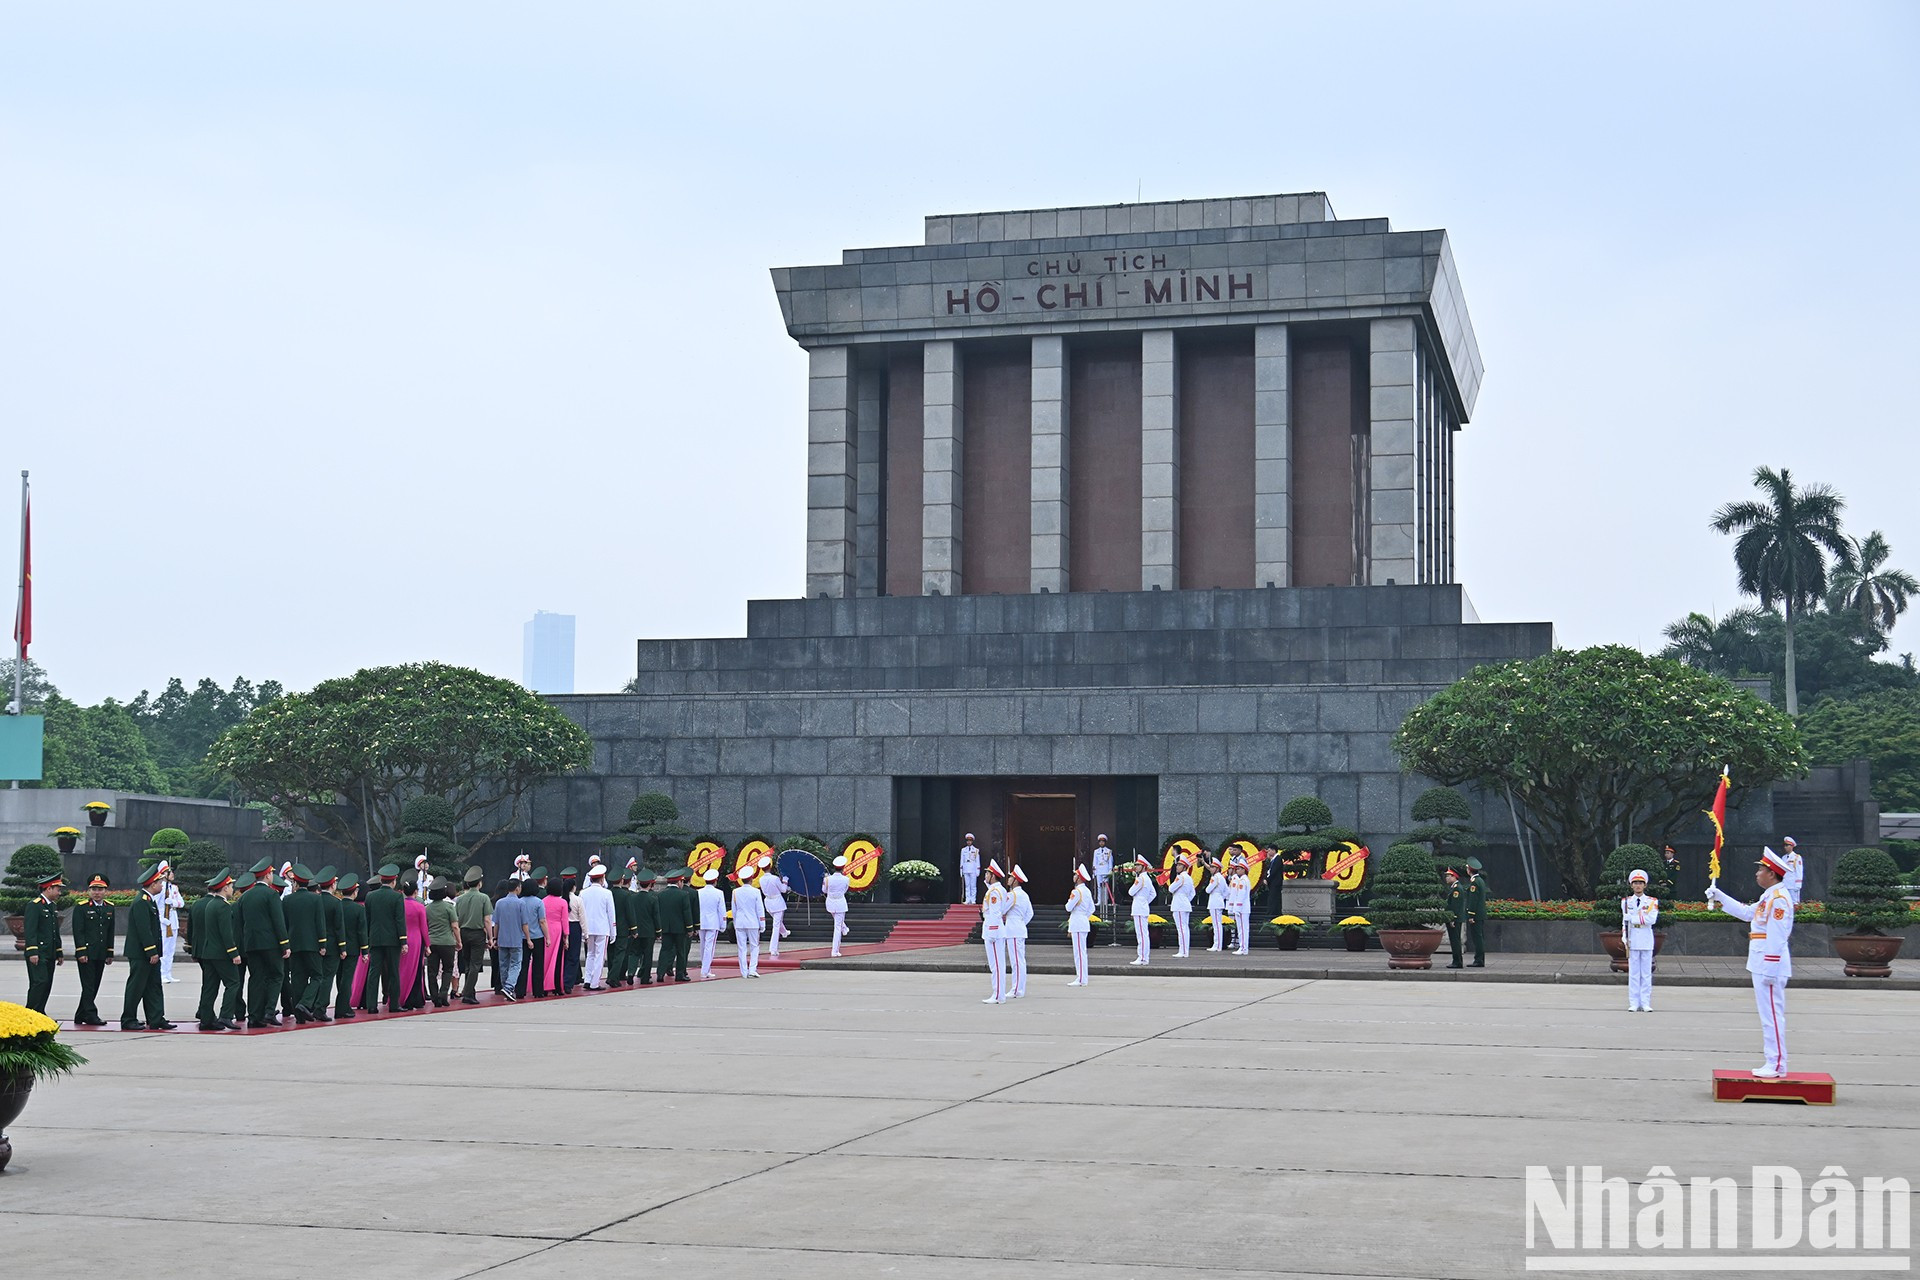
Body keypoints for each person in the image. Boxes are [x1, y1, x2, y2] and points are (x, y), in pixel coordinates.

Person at [1707, 848, 1797, 1078]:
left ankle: (1776, 1064)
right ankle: (1773, 1061)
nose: (1757, 873)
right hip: (1761, 960)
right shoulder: (1768, 897)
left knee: (1772, 1016)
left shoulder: (1778, 900)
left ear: (1772, 874)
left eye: (1761, 869)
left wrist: (1770, 966)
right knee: (1767, 1015)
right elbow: (1748, 914)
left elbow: (1777, 936)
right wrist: (1720, 896)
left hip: (1769, 963)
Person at [236, 858, 291, 1028]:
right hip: (271, 944)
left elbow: (240, 923)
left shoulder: (245, 896)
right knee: (276, 975)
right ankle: (269, 1010)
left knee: (256, 979)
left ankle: (254, 1016)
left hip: (251, 944)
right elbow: (278, 921)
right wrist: (285, 944)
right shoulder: (272, 894)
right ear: (267, 876)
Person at [121, 864, 175, 1030]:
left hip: (150, 953)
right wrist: (151, 951)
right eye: (159, 882)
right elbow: (143, 930)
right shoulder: (141, 902)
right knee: (136, 987)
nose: (161, 885)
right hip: (141, 953)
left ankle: (156, 1018)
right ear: (153, 885)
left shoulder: (148, 901)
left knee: (154, 987)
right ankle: (128, 1019)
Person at [190, 870, 244, 1031]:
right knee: (233, 983)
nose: (232, 889)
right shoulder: (223, 907)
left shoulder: (211, 904)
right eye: (231, 886)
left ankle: (206, 1020)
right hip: (221, 953)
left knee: (210, 986)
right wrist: (234, 953)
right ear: (225, 888)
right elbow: (226, 933)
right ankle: (226, 1016)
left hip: (208, 952)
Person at [282, 864, 331, 1023]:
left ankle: (299, 1016)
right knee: (317, 976)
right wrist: (323, 944)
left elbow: (285, 924)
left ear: (296, 883)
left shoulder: (288, 900)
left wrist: (286, 944)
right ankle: (304, 1004)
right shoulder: (315, 899)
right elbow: (320, 923)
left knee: (297, 979)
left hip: (294, 945)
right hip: (312, 945)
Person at [70, 874, 115, 1026]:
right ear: (89, 891)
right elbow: (78, 931)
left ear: (105, 891)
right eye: (94, 889)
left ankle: (80, 1014)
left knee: (95, 985)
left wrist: (109, 952)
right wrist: (81, 951)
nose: (97, 892)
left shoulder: (109, 907)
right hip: (87, 953)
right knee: (88, 985)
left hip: (101, 953)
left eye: (100, 889)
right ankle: (90, 1015)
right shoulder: (81, 908)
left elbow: (110, 932)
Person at [361, 864, 406, 1014]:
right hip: (392, 940)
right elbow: (399, 920)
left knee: (374, 972)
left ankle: (371, 1005)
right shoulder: (397, 896)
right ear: (393, 881)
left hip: (375, 939)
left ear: (381, 880)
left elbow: (367, 919)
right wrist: (403, 941)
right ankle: (394, 1004)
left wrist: (367, 939)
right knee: (393, 972)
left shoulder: (370, 896)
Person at [21, 869, 65, 1014]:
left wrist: (59, 951)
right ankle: (30, 1012)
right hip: (38, 953)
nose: (59, 893)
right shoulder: (34, 905)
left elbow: (54, 931)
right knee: (39, 982)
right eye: (58, 889)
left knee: (47, 983)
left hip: (49, 952)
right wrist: (32, 951)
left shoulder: (51, 906)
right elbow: (30, 930)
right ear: (49, 888)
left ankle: (40, 1012)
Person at [1622, 868, 1660, 1012]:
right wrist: (1624, 937)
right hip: (1633, 939)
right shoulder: (1626, 902)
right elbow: (1624, 922)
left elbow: (1651, 919)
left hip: (1645, 938)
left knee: (1646, 973)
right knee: (1633, 973)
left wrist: (1633, 918)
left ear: (1645, 885)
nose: (1638, 885)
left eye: (1640, 883)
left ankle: (1645, 1002)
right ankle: (1633, 1002)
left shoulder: (1652, 901)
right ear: (1631, 885)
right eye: (1635, 883)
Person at [455, 867, 493, 1004]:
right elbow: (487, 920)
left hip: (463, 932)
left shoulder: (459, 899)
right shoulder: (484, 898)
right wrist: (490, 937)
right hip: (477, 934)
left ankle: (470, 992)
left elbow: (456, 919)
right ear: (479, 883)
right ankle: (467, 992)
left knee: (467, 964)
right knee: (475, 965)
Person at [333, 874, 366, 1019]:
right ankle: (343, 1007)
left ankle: (342, 1005)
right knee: (347, 978)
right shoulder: (358, 909)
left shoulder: (337, 905)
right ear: (355, 892)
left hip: (337, 947)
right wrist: (365, 950)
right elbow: (361, 932)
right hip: (352, 948)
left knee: (339, 977)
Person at [424, 878, 460, 1007]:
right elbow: (455, 926)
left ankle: (434, 997)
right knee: (448, 969)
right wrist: (459, 942)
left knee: (432, 971)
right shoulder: (449, 907)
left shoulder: (427, 909)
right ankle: (443, 994)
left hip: (432, 942)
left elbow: (425, 926)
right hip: (447, 942)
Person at [580, 864, 616, 990]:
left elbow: (581, 913)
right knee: (600, 956)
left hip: (588, 928)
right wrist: (613, 932)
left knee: (590, 954)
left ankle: (588, 979)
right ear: (602, 879)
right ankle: (595, 983)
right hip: (602, 928)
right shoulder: (607, 893)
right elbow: (611, 914)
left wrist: (582, 931)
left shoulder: (583, 893)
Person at [493, 879, 530, 1002]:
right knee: (515, 964)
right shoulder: (520, 904)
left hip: (502, 938)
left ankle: (505, 987)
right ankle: (509, 987)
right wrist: (528, 939)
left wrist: (495, 938)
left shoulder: (499, 903)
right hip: (516, 939)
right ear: (517, 888)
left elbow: (496, 923)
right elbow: (524, 924)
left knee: (503, 964)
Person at [979, 860, 1009, 1004]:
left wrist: (992, 932)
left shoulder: (995, 892)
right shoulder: (998, 889)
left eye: (987, 874)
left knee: (996, 964)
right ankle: (998, 993)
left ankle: (998, 995)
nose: (985, 876)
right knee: (996, 964)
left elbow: (996, 913)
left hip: (994, 931)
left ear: (992, 876)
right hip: (994, 929)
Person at [399, 876, 431, 1009]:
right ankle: (415, 998)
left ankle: (400, 997)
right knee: (417, 969)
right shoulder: (419, 907)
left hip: (402, 939)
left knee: (401, 969)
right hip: (416, 940)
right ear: (416, 892)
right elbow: (424, 928)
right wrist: (428, 945)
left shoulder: (399, 905)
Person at [654, 870, 690, 984]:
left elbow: (658, 912)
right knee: (681, 951)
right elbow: (687, 913)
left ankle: (660, 973)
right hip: (680, 928)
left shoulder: (660, 894)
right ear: (679, 882)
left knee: (665, 950)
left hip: (665, 928)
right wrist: (690, 928)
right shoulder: (683, 895)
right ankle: (680, 974)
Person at [731, 864, 765, 978]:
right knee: (754, 946)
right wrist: (762, 923)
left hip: (740, 922)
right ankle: (752, 969)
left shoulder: (735, 892)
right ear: (751, 878)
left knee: (742, 948)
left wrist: (735, 922)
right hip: (753, 922)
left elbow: (734, 909)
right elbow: (759, 909)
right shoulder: (756, 892)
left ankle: (744, 971)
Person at [1003, 865, 1032, 998]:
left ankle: (1017, 989)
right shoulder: (1024, 895)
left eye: (1011, 877)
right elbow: (1030, 914)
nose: (1008, 879)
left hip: (1013, 929)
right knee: (1019, 960)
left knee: (1016, 961)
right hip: (1018, 927)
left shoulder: (1012, 895)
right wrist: (1021, 923)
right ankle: (1019, 988)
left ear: (1015, 880)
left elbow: (1002, 910)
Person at [157, 861, 186, 984]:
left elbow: (181, 903)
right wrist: (161, 918)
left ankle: (168, 973)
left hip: (173, 920)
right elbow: (155, 905)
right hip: (163, 921)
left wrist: (172, 903)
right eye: (169, 872)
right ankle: (161, 974)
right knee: (163, 949)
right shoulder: (159, 888)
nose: (172, 874)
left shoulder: (174, 888)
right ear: (163, 874)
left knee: (171, 949)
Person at [1065, 864, 1094, 986]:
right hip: (1082, 921)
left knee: (1079, 952)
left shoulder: (1076, 892)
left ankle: (1081, 978)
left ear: (1079, 877)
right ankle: (1082, 977)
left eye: (1076, 874)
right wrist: (1083, 916)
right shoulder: (1086, 891)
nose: (1074, 876)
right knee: (1081, 951)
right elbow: (1091, 909)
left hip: (1077, 922)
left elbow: (1068, 907)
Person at [541, 873, 570, 996]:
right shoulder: (563, 902)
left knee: (544, 960)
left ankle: (543, 986)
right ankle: (557, 987)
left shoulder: (542, 901)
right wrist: (566, 937)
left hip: (545, 931)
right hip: (557, 931)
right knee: (558, 960)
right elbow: (565, 920)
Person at [695, 871, 727, 979]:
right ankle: (705, 970)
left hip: (701, 921)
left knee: (703, 946)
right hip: (713, 922)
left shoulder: (699, 892)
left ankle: (706, 969)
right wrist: (723, 924)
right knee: (709, 947)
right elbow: (722, 910)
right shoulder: (719, 893)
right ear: (715, 881)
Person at [1128, 856, 1156, 966]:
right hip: (1142, 906)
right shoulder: (1147, 878)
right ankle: (1143, 957)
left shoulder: (1140, 879)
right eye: (1136, 865)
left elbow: (1131, 892)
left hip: (1139, 907)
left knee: (1141, 935)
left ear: (1143, 867)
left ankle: (1143, 957)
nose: (1136, 867)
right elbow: (1153, 894)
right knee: (1143, 934)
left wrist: (1143, 902)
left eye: (1138, 865)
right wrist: (1145, 902)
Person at [759, 858, 789, 959]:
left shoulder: (761, 879)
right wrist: (785, 880)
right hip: (777, 902)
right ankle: (773, 949)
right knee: (776, 925)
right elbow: (783, 890)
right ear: (770, 866)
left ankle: (784, 932)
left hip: (768, 902)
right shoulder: (774, 878)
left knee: (777, 922)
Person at [561, 867, 585, 991]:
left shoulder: (561, 899)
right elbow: (582, 918)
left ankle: (562, 980)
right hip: (575, 927)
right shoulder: (577, 900)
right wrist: (586, 933)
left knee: (564, 955)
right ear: (573, 887)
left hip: (563, 927)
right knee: (573, 956)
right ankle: (568, 983)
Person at [1168, 855, 1196, 958]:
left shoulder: (1180, 877)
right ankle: (1184, 951)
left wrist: (1182, 900)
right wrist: (1186, 900)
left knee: (1181, 929)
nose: (1177, 867)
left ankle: (1183, 951)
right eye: (1177, 864)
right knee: (1184, 928)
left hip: (1179, 904)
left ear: (1184, 867)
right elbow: (1192, 893)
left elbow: (1171, 888)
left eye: (1180, 865)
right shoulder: (1188, 878)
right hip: (1184, 903)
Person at [1462, 858, 1488, 967]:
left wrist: (1471, 914)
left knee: (1477, 938)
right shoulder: (1480, 880)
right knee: (1479, 937)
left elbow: (1473, 900)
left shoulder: (1474, 882)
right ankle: (1480, 959)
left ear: (1469, 870)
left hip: (1476, 914)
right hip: (1480, 914)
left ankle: (1479, 960)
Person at [824, 856, 851, 957]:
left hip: (830, 902)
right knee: (837, 927)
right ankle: (835, 951)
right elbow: (845, 890)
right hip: (840, 903)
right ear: (843, 867)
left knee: (838, 923)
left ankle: (845, 929)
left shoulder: (827, 879)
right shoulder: (846, 879)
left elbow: (824, 890)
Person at [1443, 868, 1466, 969]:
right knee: (1454, 940)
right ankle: (1456, 961)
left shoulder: (1457, 888)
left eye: (1448, 876)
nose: (1446, 878)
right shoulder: (1454, 887)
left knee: (1455, 941)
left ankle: (1457, 962)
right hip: (1454, 918)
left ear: (1454, 876)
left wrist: (1453, 918)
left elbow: (1456, 906)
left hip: (1455, 919)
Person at [1204, 857, 1228, 952]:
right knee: (1217, 924)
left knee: (1216, 925)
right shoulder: (1221, 877)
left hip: (1215, 902)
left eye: (1213, 867)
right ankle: (1217, 945)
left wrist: (1219, 897)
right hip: (1218, 901)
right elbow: (1227, 891)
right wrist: (1221, 897)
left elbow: (1208, 890)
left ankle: (1217, 945)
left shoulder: (1215, 878)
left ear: (1217, 868)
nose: (1211, 869)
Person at [1780, 835, 1805, 905]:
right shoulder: (1783, 858)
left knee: (1794, 903)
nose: (1785, 847)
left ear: (1792, 846)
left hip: (1793, 884)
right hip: (1785, 884)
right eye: (1784, 845)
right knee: (1785, 902)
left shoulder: (1796, 857)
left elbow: (1799, 871)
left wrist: (1798, 884)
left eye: (1787, 845)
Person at [1092, 836, 1114, 909]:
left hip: (1105, 870)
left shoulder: (1108, 851)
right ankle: (1099, 901)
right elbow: (1095, 862)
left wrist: (1110, 870)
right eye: (1100, 842)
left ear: (1105, 842)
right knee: (1099, 886)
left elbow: (1110, 861)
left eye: (1103, 841)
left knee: (1105, 886)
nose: (1101, 843)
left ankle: (1105, 901)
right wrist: (1094, 871)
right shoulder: (1096, 851)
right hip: (1099, 870)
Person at [959, 833, 981, 906]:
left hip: (973, 868)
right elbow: (962, 860)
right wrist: (961, 870)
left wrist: (978, 870)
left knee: (973, 885)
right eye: (967, 840)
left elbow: (977, 860)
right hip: (966, 868)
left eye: (970, 841)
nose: (969, 842)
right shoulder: (963, 850)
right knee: (967, 885)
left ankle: (973, 899)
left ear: (972, 841)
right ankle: (967, 899)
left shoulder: (976, 850)